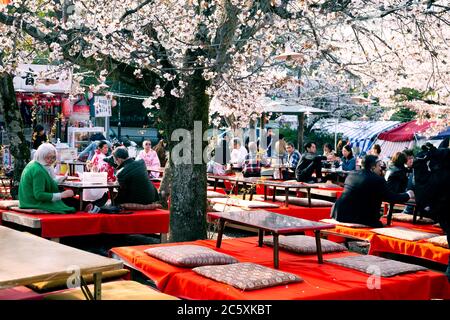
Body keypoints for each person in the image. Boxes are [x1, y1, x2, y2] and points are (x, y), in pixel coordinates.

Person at [331, 155, 413, 227]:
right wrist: (408, 194)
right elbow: (391, 198)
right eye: (378, 166)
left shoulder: (352, 174)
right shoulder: (377, 180)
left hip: (339, 213)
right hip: (358, 218)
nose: (380, 168)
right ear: (373, 167)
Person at [18, 143, 76, 213]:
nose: (51, 160)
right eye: (48, 157)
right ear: (41, 156)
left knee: (72, 201)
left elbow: (43, 182)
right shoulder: (38, 171)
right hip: (33, 203)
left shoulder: (34, 164)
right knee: (74, 204)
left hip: (27, 201)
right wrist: (62, 195)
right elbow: (39, 195)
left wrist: (58, 181)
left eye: (53, 157)